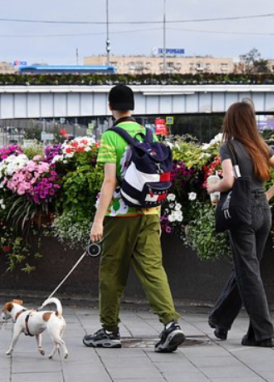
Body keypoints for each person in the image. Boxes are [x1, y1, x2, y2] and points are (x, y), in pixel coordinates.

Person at [83, 84, 186, 353]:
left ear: (110, 107)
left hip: (121, 215)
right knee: (153, 270)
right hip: (151, 212)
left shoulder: (110, 137)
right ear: (132, 107)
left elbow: (109, 181)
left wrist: (98, 221)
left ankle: (109, 330)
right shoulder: (147, 133)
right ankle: (171, 325)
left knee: (111, 271)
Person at [206, 100, 274, 348]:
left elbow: (228, 181)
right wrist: (266, 196)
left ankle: (264, 333)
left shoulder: (229, 147)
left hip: (242, 213)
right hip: (262, 213)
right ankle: (221, 320)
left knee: (248, 271)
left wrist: (212, 186)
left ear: (231, 121)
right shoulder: (260, 147)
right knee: (247, 268)